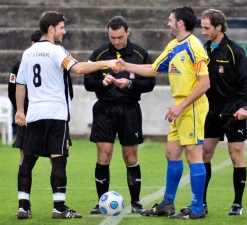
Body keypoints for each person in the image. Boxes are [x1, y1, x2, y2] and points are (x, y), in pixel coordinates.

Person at [15, 11, 118, 220]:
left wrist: (19, 111)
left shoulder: (28, 52)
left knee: (27, 161)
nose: (64, 31)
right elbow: (78, 68)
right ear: (51, 29)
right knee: (59, 160)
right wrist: (105, 63)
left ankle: (23, 207)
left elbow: (20, 84)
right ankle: (59, 207)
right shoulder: (56, 50)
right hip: (55, 114)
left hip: (34, 114)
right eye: (61, 27)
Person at [116, 6, 210, 220]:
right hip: (180, 107)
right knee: (172, 153)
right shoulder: (174, 45)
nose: (167, 23)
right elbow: (152, 69)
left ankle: (197, 210)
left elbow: (205, 83)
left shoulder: (194, 46)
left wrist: (182, 105)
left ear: (180, 23)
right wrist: (125, 65)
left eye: (170, 20)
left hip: (191, 106)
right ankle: (167, 204)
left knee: (194, 155)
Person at [84, 16, 156, 214]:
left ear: (128, 32)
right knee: (103, 155)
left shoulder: (139, 54)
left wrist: (131, 84)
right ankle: (101, 202)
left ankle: (136, 202)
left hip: (129, 109)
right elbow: (88, 82)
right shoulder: (99, 54)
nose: (116, 41)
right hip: (104, 109)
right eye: (113, 37)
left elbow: (150, 83)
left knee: (130, 156)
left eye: (120, 37)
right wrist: (102, 83)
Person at [199, 9, 247, 215]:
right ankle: (202, 203)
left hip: (233, 109)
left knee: (235, 155)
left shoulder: (234, 50)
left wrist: (244, 106)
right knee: (204, 153)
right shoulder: (203, 50)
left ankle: (237, 204)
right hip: (210, 110)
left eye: (207, 28)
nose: (203, 31)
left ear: (219, 27)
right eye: (202, 27)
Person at [8, 29, 42, 167]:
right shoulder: (19, 65)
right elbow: (12, 90)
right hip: (27, 114)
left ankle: (58, 188)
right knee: (24, 152)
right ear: (31, 43)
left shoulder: (53, 62)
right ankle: (22, 187)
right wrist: (20, 110)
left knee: (56, 153)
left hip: (48, 112)